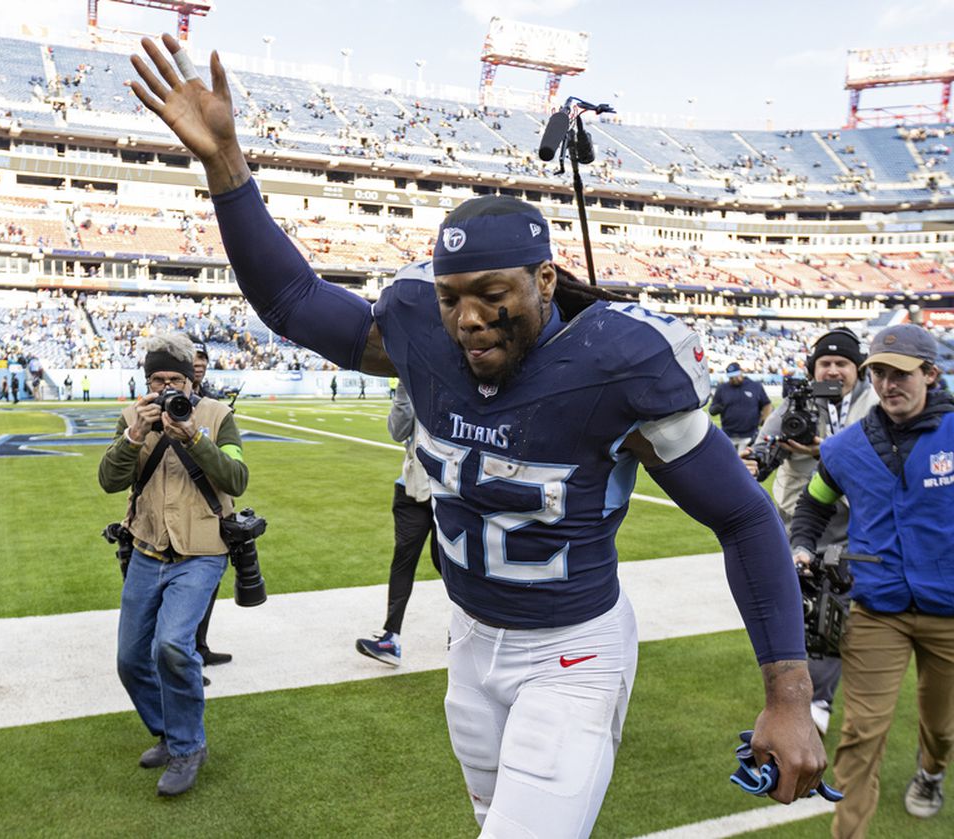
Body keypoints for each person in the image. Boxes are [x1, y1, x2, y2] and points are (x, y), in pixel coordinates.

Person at [128, 35, 824, 832]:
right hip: (468, 641)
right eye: (451, 296)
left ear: (546, 280)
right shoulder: (421, 332)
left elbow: (742, 516)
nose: (468, 319)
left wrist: (788, 694)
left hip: (573, 650)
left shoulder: (614, 365)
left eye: (491, 294)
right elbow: (291, 299)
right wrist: (228, 170)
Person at [791, 324, 954, 837]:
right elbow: (813, 505)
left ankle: (931, 770)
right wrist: (801, 547)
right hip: (876, 610)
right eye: (878, 373)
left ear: (930, 373)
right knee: (861, 733)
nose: (888, 384)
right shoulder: (843, 449)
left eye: (901, 373)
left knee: (942, 726)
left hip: (949, 611)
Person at [98, 333, 249, 796]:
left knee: (172, 645)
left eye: (176, 380)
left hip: (201, 550)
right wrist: (135, 436)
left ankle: (187, 747)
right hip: (146, 547)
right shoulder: (130, 417)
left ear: (191, 380)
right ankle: (169, 730)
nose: (167, 389)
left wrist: (195, 438)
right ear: (145, 381)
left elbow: (237, 479)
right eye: (157, 380)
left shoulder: (218, 417)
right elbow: (108, 481)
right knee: (129, 659)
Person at [741, 328, 878, 734]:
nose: (833, 371)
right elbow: (766, 448)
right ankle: (801, 693)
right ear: (813, 368)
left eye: (842, 364)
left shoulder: (875, 405)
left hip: (856, 526)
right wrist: (752, 463)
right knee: (799, 613)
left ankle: (819, 696)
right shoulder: (798, 403)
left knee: (833, 613)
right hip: (798, 523)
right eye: (825, 364)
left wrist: (826, 452)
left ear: (858, 369)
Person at [356, 380, 439, 667]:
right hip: (411, 487)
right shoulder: (414, 383)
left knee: (450, 565)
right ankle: (391, 636)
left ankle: (472, 632)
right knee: (403, 560)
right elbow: (398, 430)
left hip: (449, 491)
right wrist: (405, 385)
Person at [189, 341, 230, 666]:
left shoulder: (212, 401)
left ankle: (199, 645)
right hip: (182, 503)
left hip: (214, 501)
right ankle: (184, 656)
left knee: (210, 581)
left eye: (203, 358)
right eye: (193, 358)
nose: (199, 363)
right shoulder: (170, 400)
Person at [710, 362, 772, 452]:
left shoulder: (755, 386)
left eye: (736, 376)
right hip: (728, 434)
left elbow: (766, 404)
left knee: (746, 464)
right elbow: (712, 409)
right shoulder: (722, 388)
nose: (734, 379)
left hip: (749, 434)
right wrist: (716, 409)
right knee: (727, 463)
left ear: (741, 372)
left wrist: (764, 419)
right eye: (731, 377)